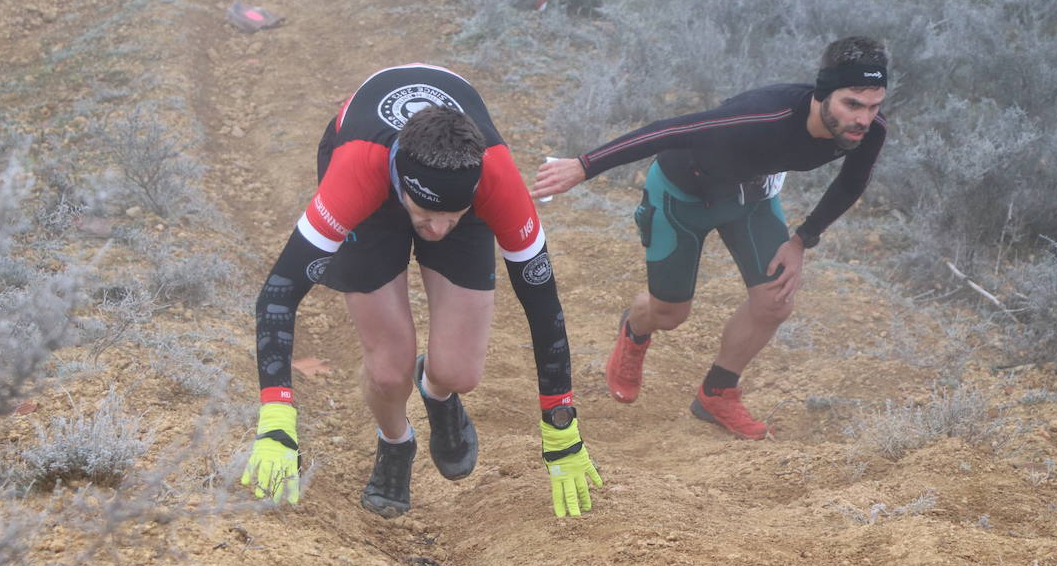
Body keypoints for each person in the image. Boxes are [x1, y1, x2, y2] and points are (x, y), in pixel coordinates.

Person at [242, 63, 601, 519]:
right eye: (427, 214)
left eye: (452, 216)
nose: (437, 229)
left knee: (460, 373)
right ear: (401, 188)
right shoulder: (355, 173)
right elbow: (279, 292)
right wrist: (276, 417)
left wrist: (560, 425)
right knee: (388, 371)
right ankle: (395, 443)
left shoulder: (495, 179)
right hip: (372, 188)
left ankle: (436, 391)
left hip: (450, 181)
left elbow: (543, 301)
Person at [530, 37, 889, 440]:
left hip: (749, 198)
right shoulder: (763, 115)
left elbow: (851, 184)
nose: (863, 119)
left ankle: (717, 392)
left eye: (874, 105)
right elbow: (670, 130)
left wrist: (802, 240)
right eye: (852, 104)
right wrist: (584, 165)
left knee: (775, 300)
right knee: (671, 314)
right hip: (682, 193)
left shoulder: (866, 132)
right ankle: (635, 328)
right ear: (824, 93)